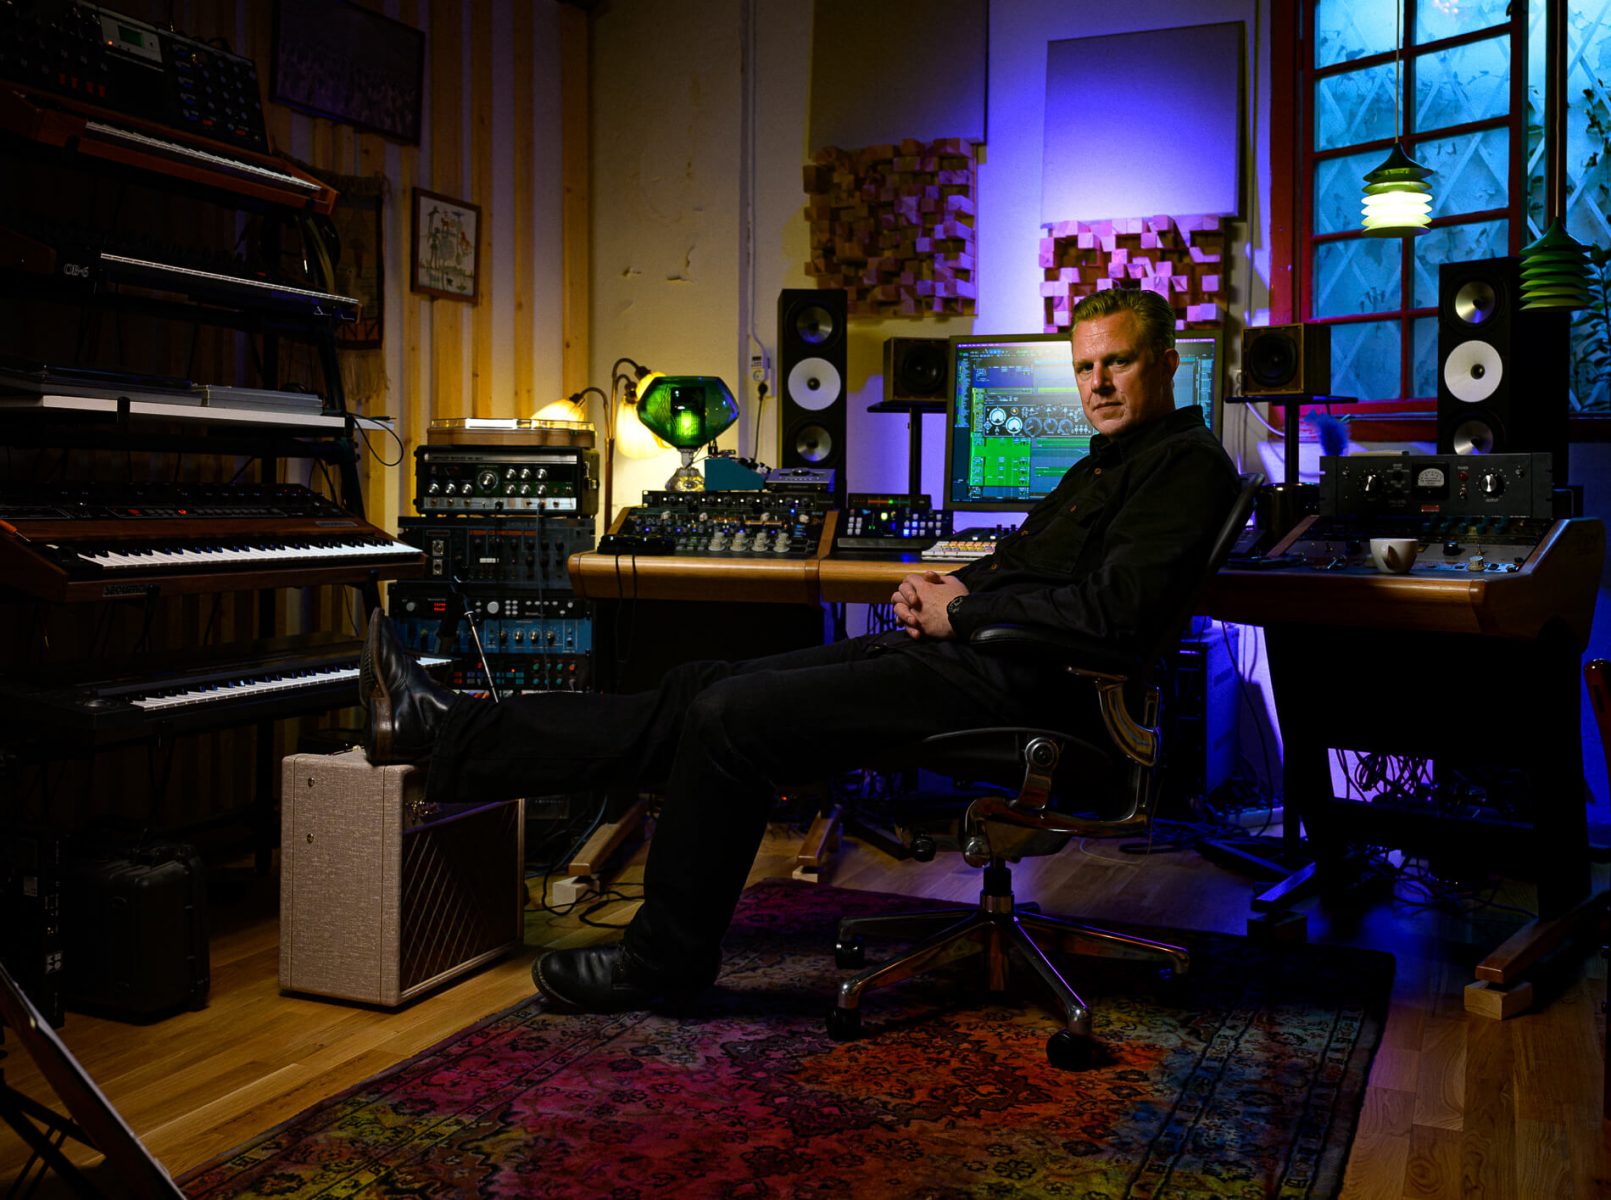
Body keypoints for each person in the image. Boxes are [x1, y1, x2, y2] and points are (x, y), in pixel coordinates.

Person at [359, 286, 1239, 1014]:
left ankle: (661, 964)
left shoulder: (1185, 468)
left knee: (730, 720)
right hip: (972, 660)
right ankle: (445, 731)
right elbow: (1018, 564)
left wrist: (959, 620)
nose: (1098, 383)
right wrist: (951, 588)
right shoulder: (1101, 466)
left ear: (1164, 363)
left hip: (1027, 691)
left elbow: (1114, 616)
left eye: (1116, 362)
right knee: (705, 684)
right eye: (1084, 366)